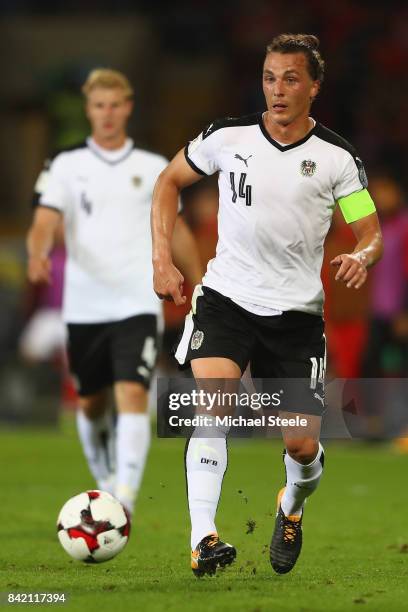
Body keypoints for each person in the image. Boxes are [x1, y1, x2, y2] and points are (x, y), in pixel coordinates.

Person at [151, 34, 383, 576]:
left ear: (314, 87)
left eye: (291, 79)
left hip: (296, 317)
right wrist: (162, 258)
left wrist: (363, 254)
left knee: (302, 446)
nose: (277, 90)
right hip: (226, 298)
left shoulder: (336, 159)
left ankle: (292, 506)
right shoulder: (226, 137)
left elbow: (369, 230)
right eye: (270, 78)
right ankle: (203, 537)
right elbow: (168, 181)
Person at [27, 68, 202, 515]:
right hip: (85, 305)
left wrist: (200, 279)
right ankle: (105, 476)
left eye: (114, 105)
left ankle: (122, 499)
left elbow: (175, 228)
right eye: (99, 106)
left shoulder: (151, 167)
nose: (107, 114)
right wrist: (38, 252)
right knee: (90, 402)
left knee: (132, 392)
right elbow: (45, 221)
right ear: (89, 110)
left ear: (128, 107)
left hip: (136, 300)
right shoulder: (65, 165)